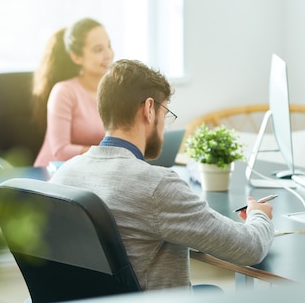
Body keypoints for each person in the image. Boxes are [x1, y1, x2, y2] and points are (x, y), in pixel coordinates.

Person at [50, 59, 274, 291]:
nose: (165, 127)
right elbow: (251, 248)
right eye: (165, 113)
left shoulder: (63, 174)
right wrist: (260, 216)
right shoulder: (157, 187)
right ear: (149, 109)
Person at [32, 18, 114, 167]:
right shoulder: (64, 92)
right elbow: (60, 151)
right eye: (98, 49)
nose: (108, 54)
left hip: (93, 171)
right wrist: (106, 154)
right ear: (76, 57)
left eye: (109, 46)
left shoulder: (116, 92)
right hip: (52, 177)